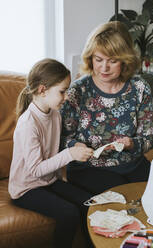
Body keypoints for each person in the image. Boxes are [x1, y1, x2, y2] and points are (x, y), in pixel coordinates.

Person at [61, 21, 153, 195]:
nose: (104, 68)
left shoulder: (139, 88)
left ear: (125, 61)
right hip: (88, 168)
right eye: (98, 59)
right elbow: (61, 138)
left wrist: (132, 143)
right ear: (90, 58)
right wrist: (76, 146)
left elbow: (149, 138)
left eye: (112, 61)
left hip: (132, 164)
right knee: (122, 195)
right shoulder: (78, 90)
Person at [8, 58, 94, 248]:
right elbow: (35, 170)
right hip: (27, 188)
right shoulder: (27, 124)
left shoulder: (55, 114)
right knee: (69, 213)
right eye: (62, 91)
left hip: (49, 181)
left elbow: (54, 144)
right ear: (42, 90)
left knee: (89, 203)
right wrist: (70, 154)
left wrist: (76, 146)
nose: (66, 97)